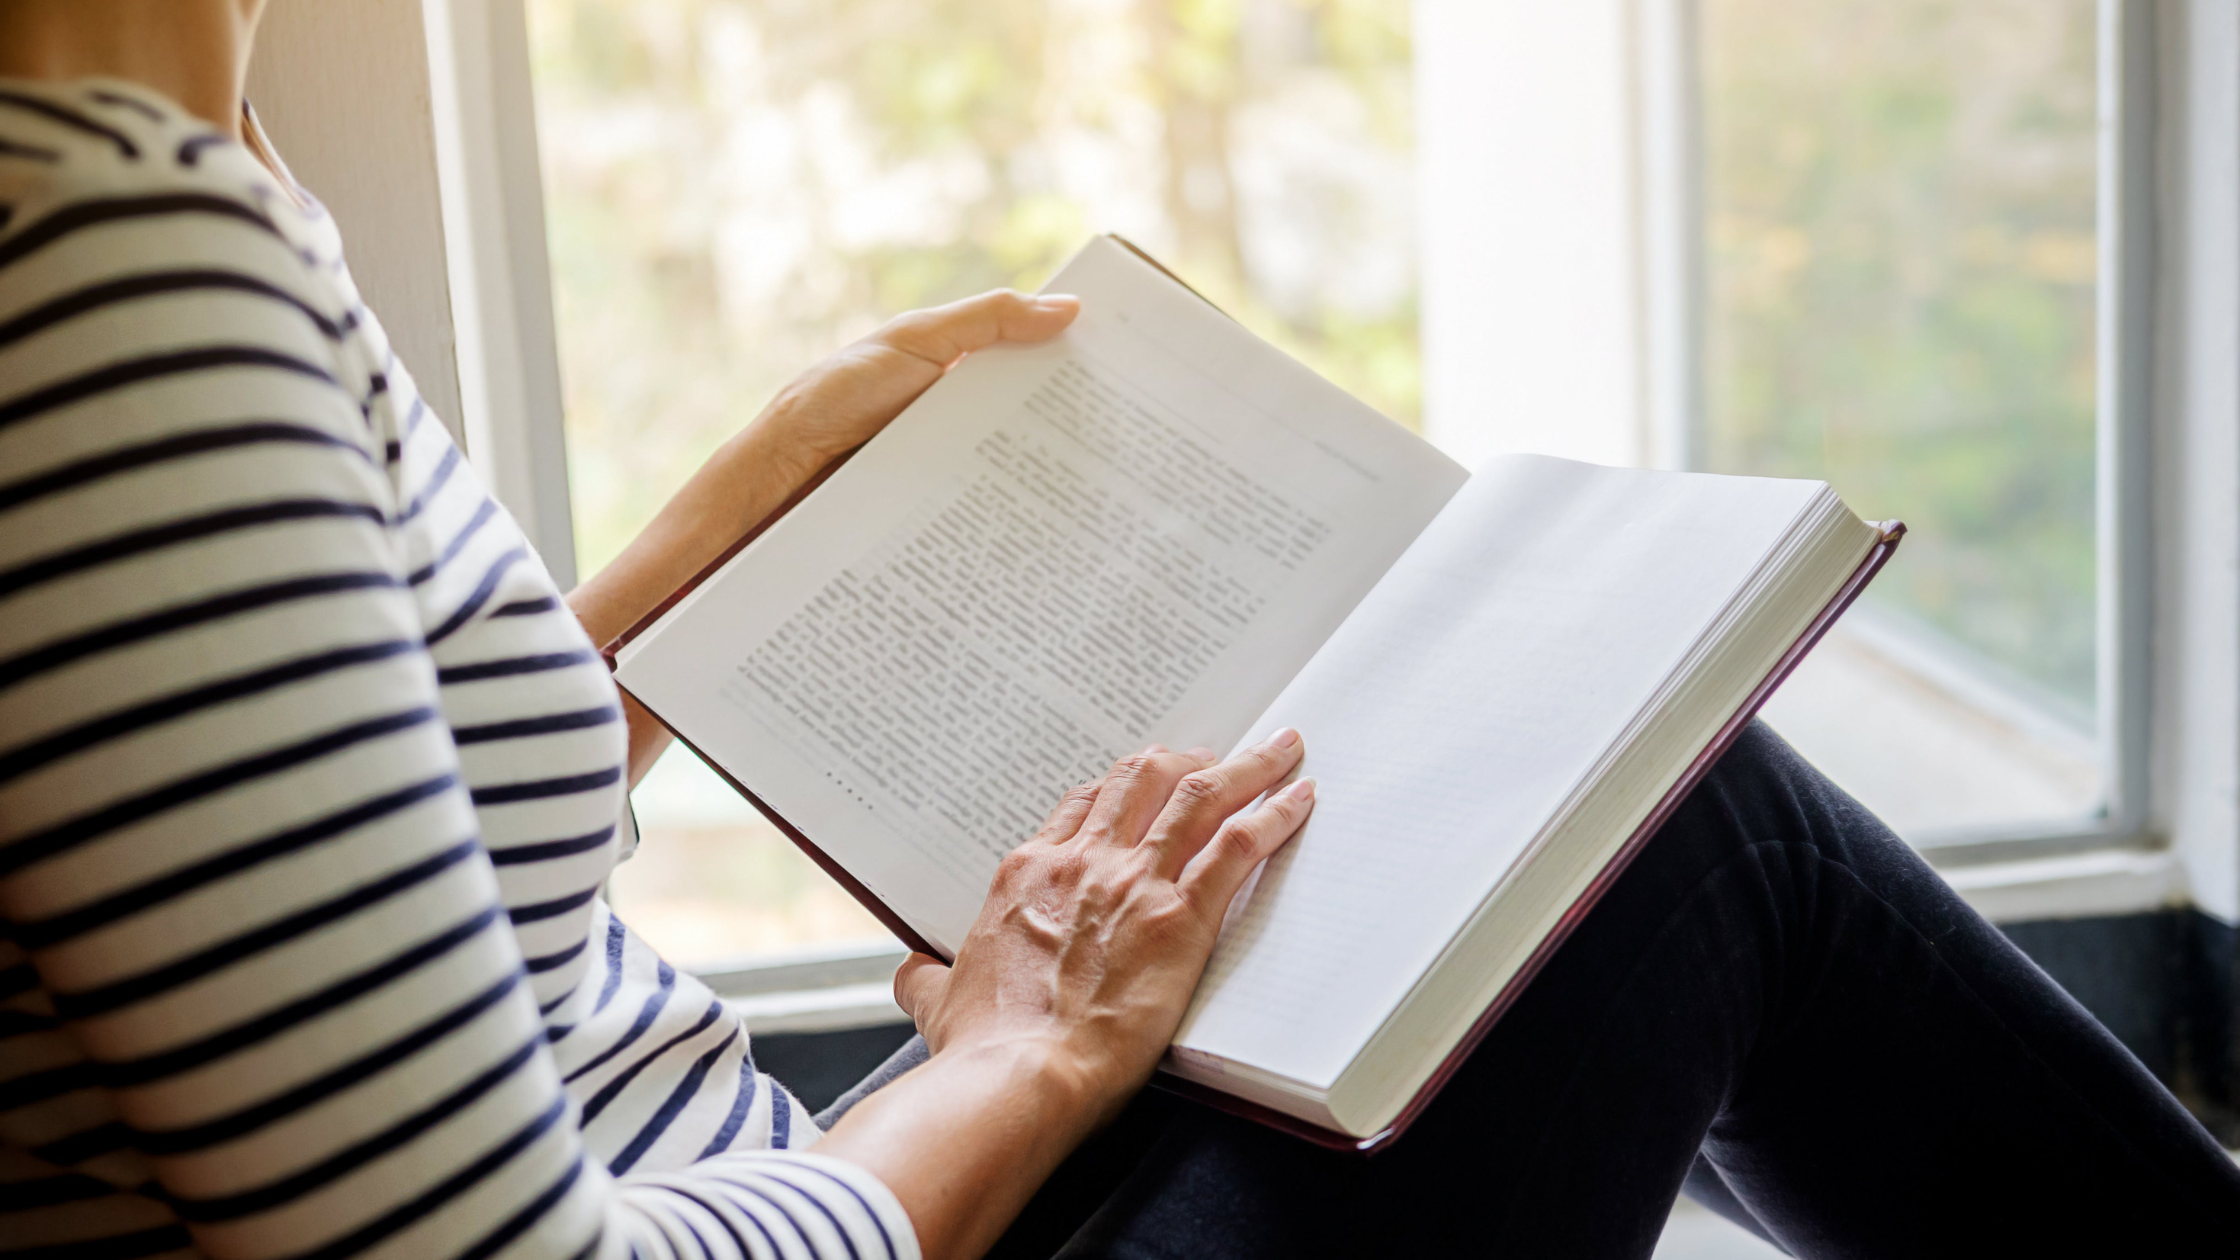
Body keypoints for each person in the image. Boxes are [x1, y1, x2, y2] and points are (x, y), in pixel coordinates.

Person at [1, 3, 2234, 1258]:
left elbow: (326, 884)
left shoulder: (156, 165)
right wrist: (1017, 1058)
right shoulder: (103, 271)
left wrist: (749, 494)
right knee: (1671, 841)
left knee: (1493, 874)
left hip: (724, 1167)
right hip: (732, 1212)